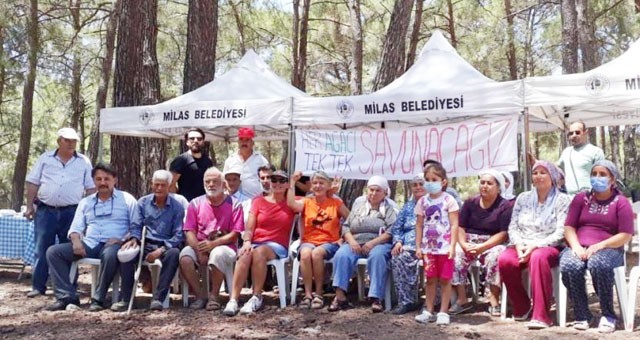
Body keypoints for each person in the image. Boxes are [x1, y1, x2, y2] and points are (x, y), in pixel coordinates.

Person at [44, 163, 137, 311]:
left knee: (110, 254)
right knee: (53, 252)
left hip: (115, 243)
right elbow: (75, 228)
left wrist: (123, 240)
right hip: (90, 243)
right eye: (98, 179)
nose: (103, 183)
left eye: (107, 179)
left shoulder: (127, 200)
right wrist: (75, 240)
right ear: (94, 180)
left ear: (115, 180)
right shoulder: (86, 202)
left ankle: (98, 299)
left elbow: (136, 226)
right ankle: (66, 297)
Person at [559, 160, 633, 333]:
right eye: (594, 174)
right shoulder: (581, 199)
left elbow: (625, 235)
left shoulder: (620, 202)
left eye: (602, 174)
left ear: (612, 179)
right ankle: (582, 314)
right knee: (570, 264)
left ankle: (608, 314)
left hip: (609, 248)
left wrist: (599, 246)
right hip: (579, 246)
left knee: (598, 264)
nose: (597, 178)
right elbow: (569, 227)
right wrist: (576, 246)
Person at [498, 161, 571, 329]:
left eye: (543, 172)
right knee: (505, 259)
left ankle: (541, 315)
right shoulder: (523, 198)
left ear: (552, 177)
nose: (538, 176)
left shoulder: (562, 199)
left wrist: (535, 246)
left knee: (538, 257)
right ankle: (522, 306)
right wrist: (517, 244)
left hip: (549, 245)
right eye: (535, 172)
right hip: (522, 243)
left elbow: (561, 231)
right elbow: (513, 225)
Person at [24, 127, 96, 298]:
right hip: (45, 210)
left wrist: (90, 214)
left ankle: (69, 285)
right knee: (42, 248)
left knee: (70, 249)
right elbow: (33, 182)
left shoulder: (83, 162)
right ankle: (38, 286)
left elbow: (90, 188)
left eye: (74, 141)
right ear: (59, 141)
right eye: (67, 140)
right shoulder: (45, 158)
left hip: (72, 211)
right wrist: (29, 206)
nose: (71, 143)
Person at [222, 170, 297, 316]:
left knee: (260, 252)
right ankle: (233, 299)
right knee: (244, 254)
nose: (277, 183)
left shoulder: (292, 202)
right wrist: (247, 241)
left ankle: (256, 296)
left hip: (277, 245)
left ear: (287, 184)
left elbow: (314, 200)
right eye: (274, 179)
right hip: (256, 242)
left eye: (282, 180)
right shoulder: (258, 201)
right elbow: (249, 226)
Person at [329, 176, 397, 313]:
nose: (373, 193)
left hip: (379, 242)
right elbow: (346, 227)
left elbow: (391, 230)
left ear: (385, 193)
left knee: (377, 256)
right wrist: (352, 241)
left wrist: (372, 243)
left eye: (378, 190)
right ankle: (340, 297)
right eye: (371, 189)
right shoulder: (359, 206)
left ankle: (376, 297)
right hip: (356, 242)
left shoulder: (389, 209)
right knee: (342, 255)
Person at [179, 167, 244, 311]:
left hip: (225, 245)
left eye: (215, 181)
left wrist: (213, 244)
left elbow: (235, 234)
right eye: (207, 182)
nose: (211, 185)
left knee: (218, 254)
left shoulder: (235, 204)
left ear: (223, 184)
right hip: (200, 244)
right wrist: (199, 250)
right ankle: (201, 295)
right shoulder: (195, 204)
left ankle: (214, 296)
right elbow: (189, 231)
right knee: (185, 257)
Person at [119, 170, 185, 311]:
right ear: (152, 185)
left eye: (163, 185)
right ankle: (126, 299)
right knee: (126, 253)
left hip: (165, 246)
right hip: (145, 243)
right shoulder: (143, 203)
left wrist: (161, 250)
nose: (159, 188)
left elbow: (179, 235)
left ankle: (158, 299)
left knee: (174, 254)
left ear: (169, 186)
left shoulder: (177, 207)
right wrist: (134, 239)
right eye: (156, 185)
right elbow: (136, 225)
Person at [451, 169, 513, 316]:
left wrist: (482, 247)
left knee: (496, 256)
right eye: (482, 182)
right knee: (456, 254)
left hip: (492, 242)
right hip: (469, 241)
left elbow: (504, 234)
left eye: (489, 183)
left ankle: (493, 299)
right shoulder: (470, 202)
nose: (484, 186)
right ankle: (462, 299)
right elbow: (460, 226)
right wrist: (464, 244)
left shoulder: (505, 206)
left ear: (498, 187)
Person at [286, 170, 349, 309]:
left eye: (321, 183)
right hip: (309, 240)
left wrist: (344, 237)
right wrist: (292, 182)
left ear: (328, 185)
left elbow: (350, 220)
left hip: (330, 242)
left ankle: (319, 293)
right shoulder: (307, 201)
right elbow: (291, 204)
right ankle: (308, 294)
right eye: (315, 183)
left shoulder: (336, 202)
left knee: (317, 253)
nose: (318, 186)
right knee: (306, 253)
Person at [414, 163, 460, 325]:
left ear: (443, 181)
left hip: (445, 248)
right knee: (430, 279)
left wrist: (453, 246)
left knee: (445, 279)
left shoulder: (449, 200)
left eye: (434, 179)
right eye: (427, 179)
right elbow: (419, 225)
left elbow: (454, 225)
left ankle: (443, 311)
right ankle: (428, 310)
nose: (430, 182)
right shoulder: (422, 202)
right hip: (429, 249)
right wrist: (418, 246)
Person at [389, 175, 426, 315]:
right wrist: (398, 241)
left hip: (430, 244)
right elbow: (397, 228)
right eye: (414, 185)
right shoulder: (407, 206)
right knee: (398, 257)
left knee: (437, 260)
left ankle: (432, 303)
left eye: (421, 184)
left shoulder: (434, 204)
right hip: (408, 245)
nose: (418, 187)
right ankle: (406, 302)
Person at [556, 121, 604, 194]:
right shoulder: (566, 152)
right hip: (569, 198)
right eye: (571, 133)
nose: (574, 135)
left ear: (585, 132)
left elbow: (601, 176)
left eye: (577, 132)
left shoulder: (596, 152)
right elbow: (556, 170)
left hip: (589, 197)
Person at [169, 128, 214, 201]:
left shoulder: (208, 161)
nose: (195, 141)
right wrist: (180, 199)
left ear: (203, 142)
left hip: (205, 204)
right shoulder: (180, 160)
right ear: (187, 142)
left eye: (199, 139)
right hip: (187, 206)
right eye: (192, 139)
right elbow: (170, 184)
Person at [223, 127, 269, 198]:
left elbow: (268, 181)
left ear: (252, 142)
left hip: (254, 203)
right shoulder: (230, 160)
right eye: (241, 139)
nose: (244, 142)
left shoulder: (261, 160)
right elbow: (224, 181)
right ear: (238, 142)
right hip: (234, 203)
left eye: (247, 140)